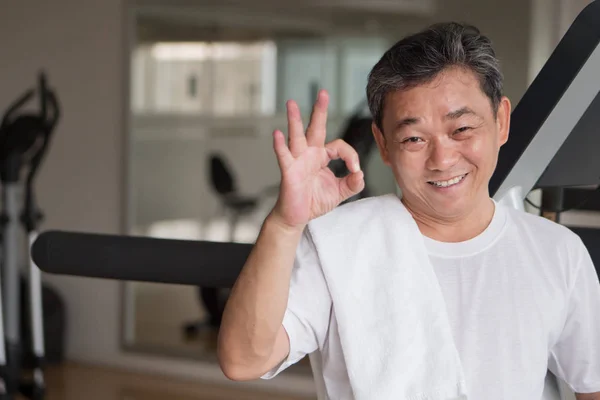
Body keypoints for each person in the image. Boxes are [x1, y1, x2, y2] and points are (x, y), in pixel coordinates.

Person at [216, 22, 600, 400]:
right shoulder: (341, 245)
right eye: (414, 138)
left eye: (462, 128)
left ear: (501, 121)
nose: (443, 158)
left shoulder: (558, 253)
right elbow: (244, 360)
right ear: (383, 145)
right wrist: (285, 224)